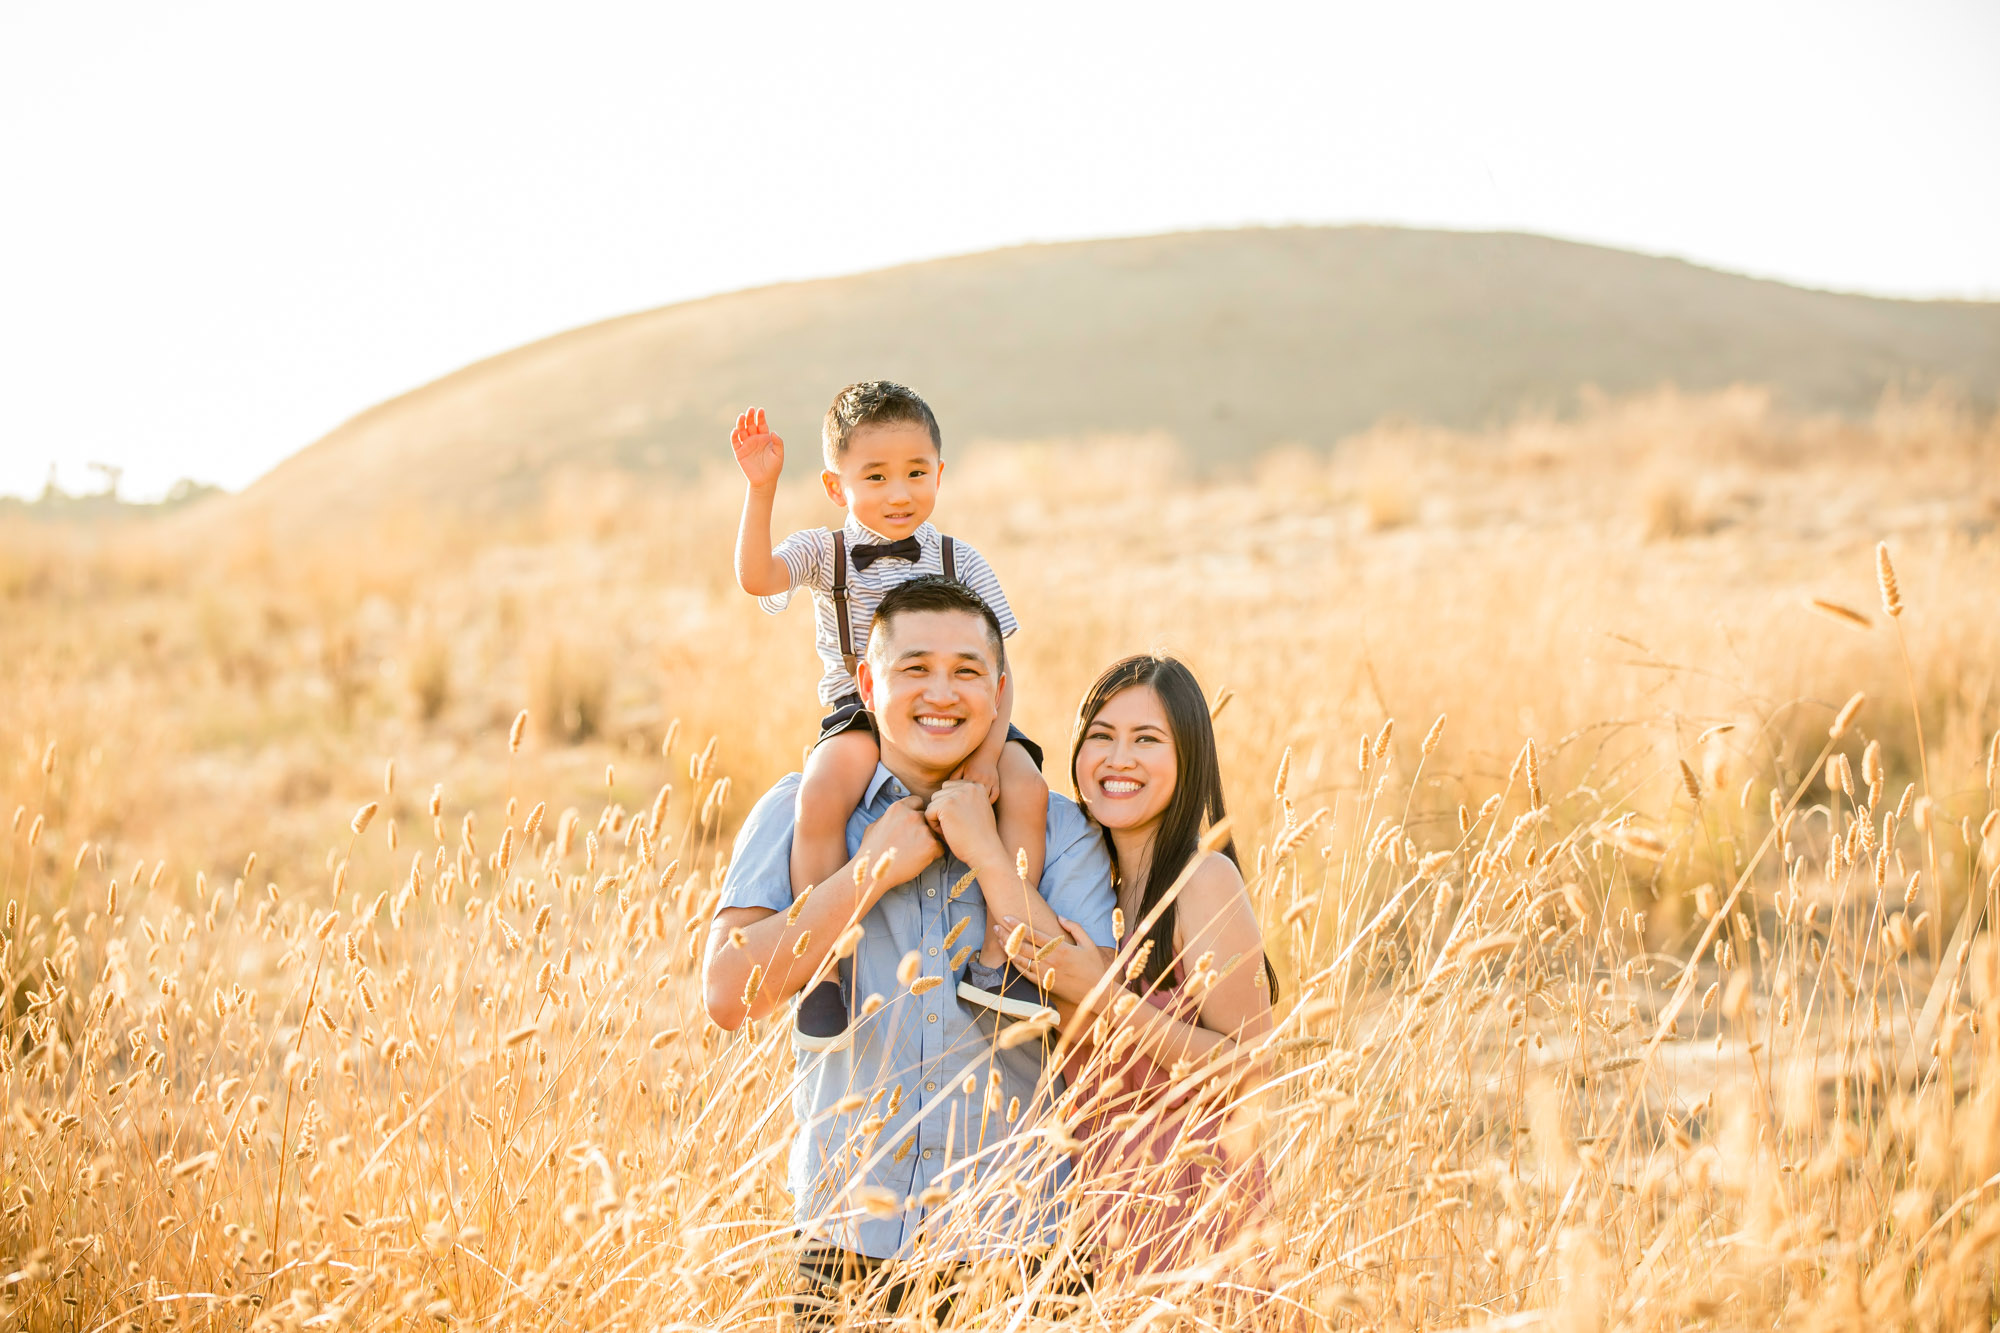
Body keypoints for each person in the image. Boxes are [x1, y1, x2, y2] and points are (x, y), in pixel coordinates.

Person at [700, 577, 1114, 1325]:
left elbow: (1095, 1026)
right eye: (914, 667)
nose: (941, 693)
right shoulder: (803, 811)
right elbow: (729, 994)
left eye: (965, 671)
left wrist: (990, 856)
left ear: (998, 691)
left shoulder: (1058, 830)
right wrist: (869, 873)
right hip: (847, 1240)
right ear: (867, 682)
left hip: (1019, 1244)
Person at [728, 381, 1051, 1044]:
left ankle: (1004, 961)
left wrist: (989, 751)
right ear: (836, 486)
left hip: (964, 711)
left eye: (915, 473)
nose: (899, 493)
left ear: (940, 472)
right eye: (875, 476)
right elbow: (759, 577)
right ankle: (826, 969)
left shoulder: (960, 559)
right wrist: (761, 490)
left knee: (1027, 785)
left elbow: (1002, 670)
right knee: (821, 787)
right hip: (860, 711)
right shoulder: (827, 552)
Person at [993, 654, 1276, 1278]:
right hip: (1094, 1207)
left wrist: (1104, 996)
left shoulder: (1202, 881)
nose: (1118, 759)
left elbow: (1252, 1065)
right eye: (1102, 736)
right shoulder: (1085, 886)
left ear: (1189, 759)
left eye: (1147, 739)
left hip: (1194, 1210)